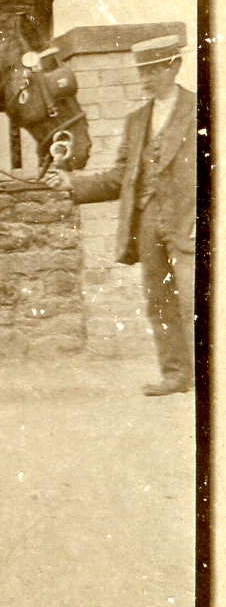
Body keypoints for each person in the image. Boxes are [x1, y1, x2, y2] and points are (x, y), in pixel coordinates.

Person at [49, 33, 196, 396]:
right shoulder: (136, 120)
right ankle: (176, 375)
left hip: (191, 219)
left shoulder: (204, 109)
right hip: (148, 220)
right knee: (158, 300)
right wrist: (73, 183)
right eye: (141, 72)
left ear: (174, 66)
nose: (145, 79)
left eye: (153, 70)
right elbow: (119, 177)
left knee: (199, 298)